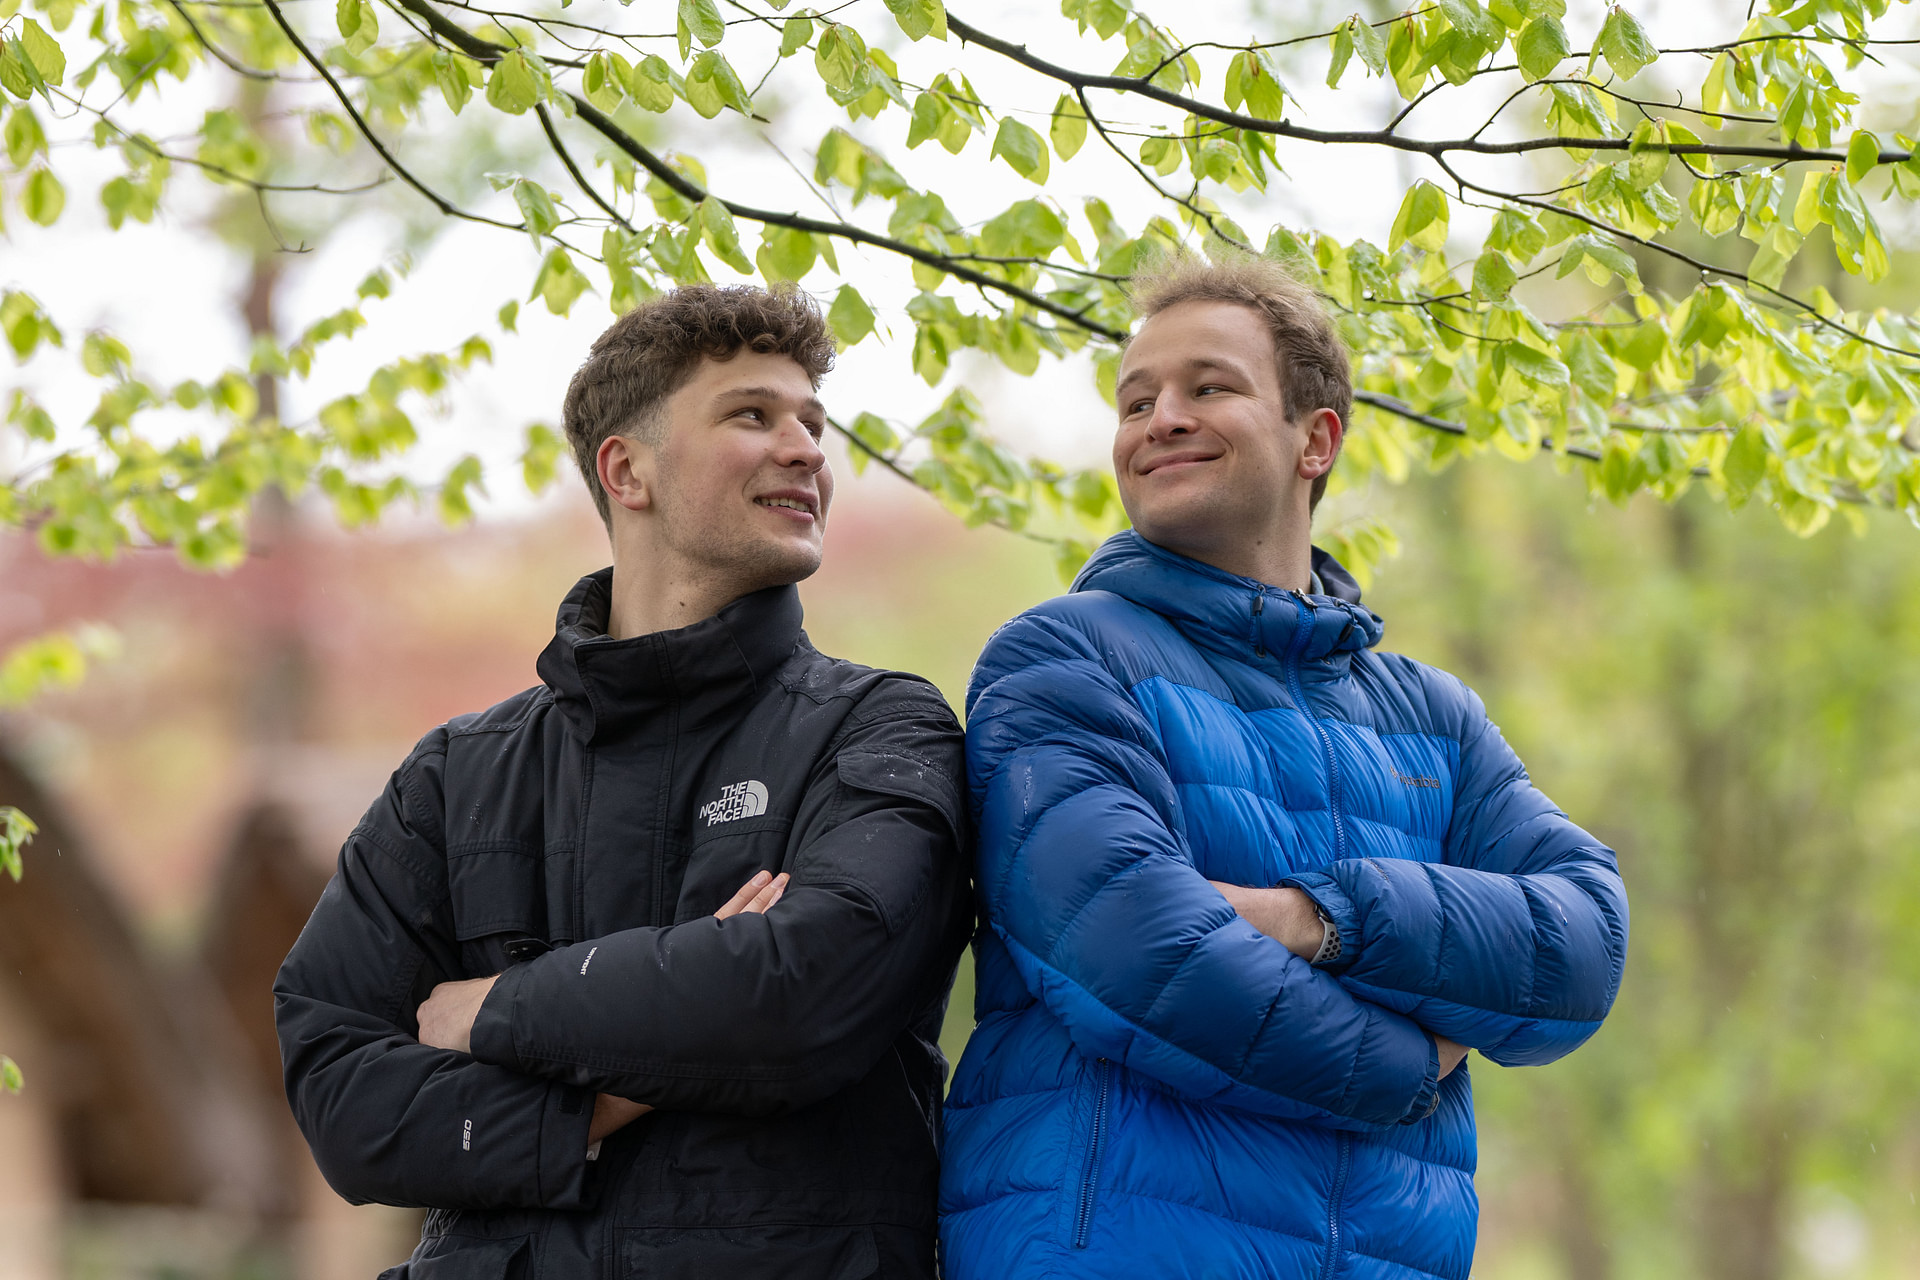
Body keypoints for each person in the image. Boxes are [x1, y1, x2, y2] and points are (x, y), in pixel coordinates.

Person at [939, 256, 1629, 1280]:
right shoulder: (1064, 658)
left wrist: (1321, 919)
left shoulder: (1434, 716)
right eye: (1137, 401)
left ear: (1318, 439)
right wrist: (1418, 1057)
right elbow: (1144, 956)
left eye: (1208, 387)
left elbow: (1582, 942)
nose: (1161, 419)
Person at [276, 284, 973, 1279]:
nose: (807, 451)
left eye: (814, 425)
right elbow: (346, 1102)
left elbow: (802, 991)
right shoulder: (455, 774)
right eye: (753, 415)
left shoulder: (881, 727)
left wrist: (493, 1009)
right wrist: (605, 1099)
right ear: (625, 469)